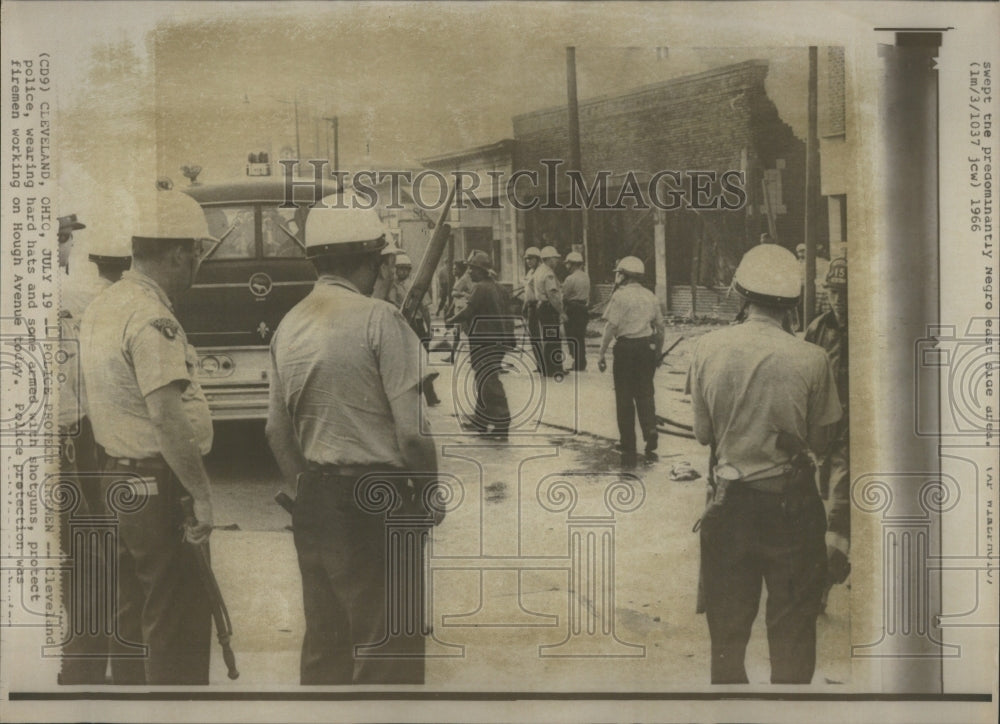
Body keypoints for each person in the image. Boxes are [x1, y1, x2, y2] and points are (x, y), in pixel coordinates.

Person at [265, 199, 442, 685]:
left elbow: (276, 431)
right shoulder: (382, 320)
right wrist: (429, 494)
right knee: (389, 649)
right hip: (379, 500)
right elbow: (412, 434)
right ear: (370, 260)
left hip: (317, 499)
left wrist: (309, 494)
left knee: (326, 646)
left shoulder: (289, 325)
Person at [687, 243, 842, 685]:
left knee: (727, 637)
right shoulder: (811, 357)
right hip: (790, 508)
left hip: (729, 504)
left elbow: (703, 434)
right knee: (793, 629)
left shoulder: (707, 347)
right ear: (793, 304)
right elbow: (821, 440)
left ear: (741, 293)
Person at [79, 189, 215, 685]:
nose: (199, 263)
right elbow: (166, 415)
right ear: (180, 253)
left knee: (134, 613)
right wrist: (201, 494)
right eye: (198, 252)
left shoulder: (105, 305)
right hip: (160, 484)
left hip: (119, 475)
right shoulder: (151, 317)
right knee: (174, 619)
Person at [805, 257, 851, 596]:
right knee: (819, 507)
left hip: (853, 433)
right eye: (833, 292)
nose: (839, 300)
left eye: (845, 293)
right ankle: (824, 572)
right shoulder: (818, 329)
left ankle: (820, 586)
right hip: (822, 431)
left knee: (838, 506)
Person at [597, 257, 664, 467]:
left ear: (623, 275)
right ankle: (650, 429)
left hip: (625, 349)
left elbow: (610, 328)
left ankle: (628, 442)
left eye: (618, 273)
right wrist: (658, 352)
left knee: (624, 397)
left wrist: (601, 354)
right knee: (645, 392)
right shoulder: (650, 296)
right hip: (646, 348)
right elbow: (660, 328)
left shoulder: (620, 297)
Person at [446, 251, 512, 439]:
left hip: (484, 341)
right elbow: (509, 316)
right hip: (498, 341)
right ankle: (481, 421)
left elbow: (468, 311)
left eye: (472, 269)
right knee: (484, 379)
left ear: (480, 271)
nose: (469, 272)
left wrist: (451, 320)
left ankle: (502, 421)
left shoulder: (480, 288)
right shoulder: (499, 288)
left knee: (489, 381)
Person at [388, 253, 441, 407]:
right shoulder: (392, 286)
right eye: (400, 269)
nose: (403, 272)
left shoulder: (415, 286)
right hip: (401, 324)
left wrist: (430, 329)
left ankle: (430, 395)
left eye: (405, 269)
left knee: (422, 358)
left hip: (417, 325)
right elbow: (392, 303)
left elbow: (424, 309)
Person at [534, 245, 566, 377]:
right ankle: (554, 368)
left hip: (542, 306)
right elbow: (553, 294)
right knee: (553, 339)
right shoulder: (548, 273)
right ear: (548, 259)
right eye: (555, 258)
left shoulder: (539, 271)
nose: (557, 261)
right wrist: (561, 311)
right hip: (549, 308)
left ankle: (547, 367)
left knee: (548, 337)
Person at [561, 251, 591, 372]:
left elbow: (564, 296)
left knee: (572, 336)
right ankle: (581, 361)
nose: (567, 266)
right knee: (580, 336)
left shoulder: (570, 278)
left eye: (568, 264)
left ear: (573, 264)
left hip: (572, 309)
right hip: (583, 308)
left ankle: (577, 361)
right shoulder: (586, 276)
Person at [445, 259, 473, 364]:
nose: (453, 270)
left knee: (468, 334)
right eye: (453, 268)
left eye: (455, 268)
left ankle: (472, 355)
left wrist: (463, 294)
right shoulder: (460, 279)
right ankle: (452, 356)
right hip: (459, 309)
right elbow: (455, 297)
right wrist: (450, 309)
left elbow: (454, 293)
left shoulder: (464, 279)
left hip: (463, 310)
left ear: (461, 269)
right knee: (460, 334)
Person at [521, 246, 543, 372]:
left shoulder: (540, 272)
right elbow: (527, 291)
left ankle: (543, 363)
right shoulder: (530, 273)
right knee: (533, 337)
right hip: (529, 306)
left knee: (539, 336)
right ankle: (539, 363)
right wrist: (524, 306)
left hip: (537, 306)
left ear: (537, 259)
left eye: (531, 258)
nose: (528, 261)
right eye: (526, 259)